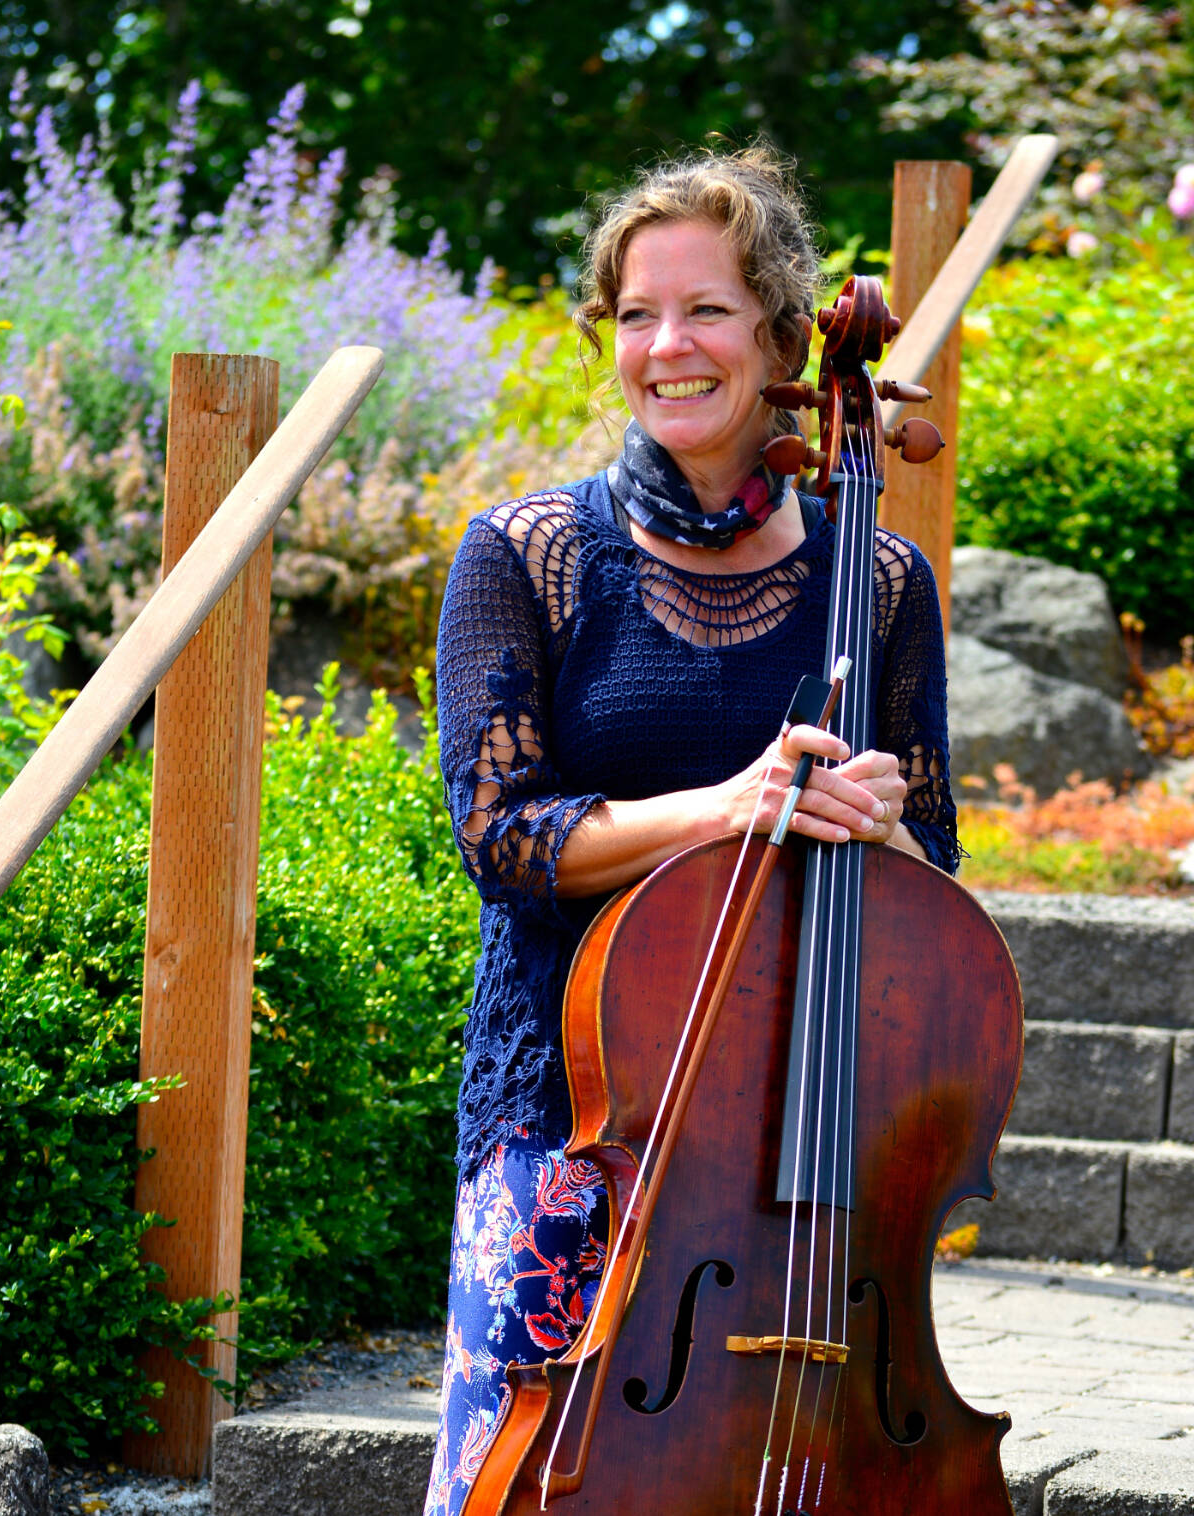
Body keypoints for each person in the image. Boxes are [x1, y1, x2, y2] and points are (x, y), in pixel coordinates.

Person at [424, 144, 958, 1516]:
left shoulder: (880, 578)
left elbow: (935, 872)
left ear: (782, 336)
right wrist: (728, 809)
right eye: (636, 314)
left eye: (707, 309)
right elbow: (502, 836)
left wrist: (883, 827)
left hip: (809, 1156)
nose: (668, 346)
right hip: (575, 1132)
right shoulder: (526, 554)